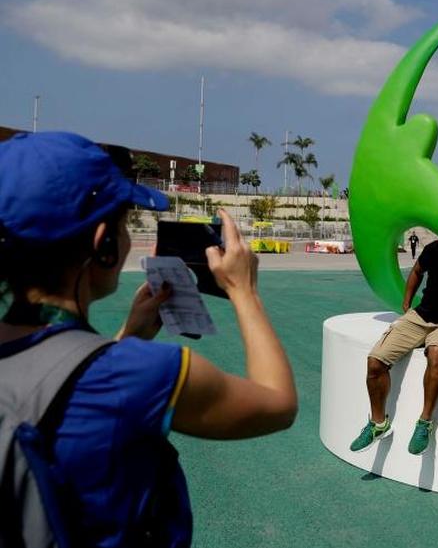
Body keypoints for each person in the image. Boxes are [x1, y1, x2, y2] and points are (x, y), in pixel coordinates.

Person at [0, 132, 297, 547]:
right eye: (124, 224)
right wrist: (244, 291)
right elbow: (278, 405)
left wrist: (127, 335)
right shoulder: (135, 373)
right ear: (103, 243)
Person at [351, 210, 438, 455]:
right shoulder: (434, 250)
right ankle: (377, 424)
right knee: (375, 362)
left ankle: (425, 422)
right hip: (421, 316)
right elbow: (416, 272)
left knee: (436, 353)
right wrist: (407, 303)